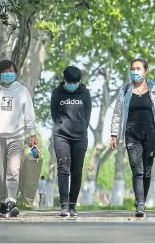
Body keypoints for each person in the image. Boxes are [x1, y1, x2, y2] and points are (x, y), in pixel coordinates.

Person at [110, 58, 155, 218]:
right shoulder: (125, 90)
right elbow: (117, 113)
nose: (135, 71)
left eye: (138, 68)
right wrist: (114, 134)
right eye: (133, 68)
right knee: (137, 169)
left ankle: (141, 201)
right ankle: (140, 204)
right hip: (131, 133)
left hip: (151, 133)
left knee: (147, 170)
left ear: (146, 71)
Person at [0, 60, 38, 218]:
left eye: (11, 71)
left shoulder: (22, 91)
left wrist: (33, 134)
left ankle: (11, 202)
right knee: (0, 172)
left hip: (17, 136)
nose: (8, 74)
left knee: (13, 171)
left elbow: (29, 114)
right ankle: (2, 203)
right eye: (4, 71)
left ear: (15, 72)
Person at [51, 66, 92, 217]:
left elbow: (88, 114)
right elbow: (54, 113)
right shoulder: (56, 93)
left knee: (76, 170)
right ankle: (64, 205)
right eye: (70, 82)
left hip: (80, 137)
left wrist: (80, 128)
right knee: (63, 168)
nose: (72, 85)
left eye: (75, 82)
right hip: (61, 135)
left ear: (79, 81)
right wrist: (62, 126)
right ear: (64, 80)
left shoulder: (85, 93)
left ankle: (73, 205)